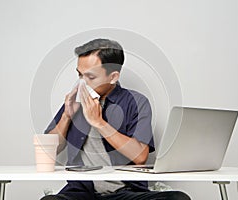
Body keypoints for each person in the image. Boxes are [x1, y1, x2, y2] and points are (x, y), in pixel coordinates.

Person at [41, 38, 190, 200]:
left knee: (178, 198)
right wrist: (66, 116)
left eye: (90, 77)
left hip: (125, 192)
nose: (82, 83)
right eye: (79, 75)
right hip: (81, 192)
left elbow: (140, 157)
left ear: (113, 77)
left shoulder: (136, 102)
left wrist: (98, 122)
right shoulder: (76, 101)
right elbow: (47, 150)